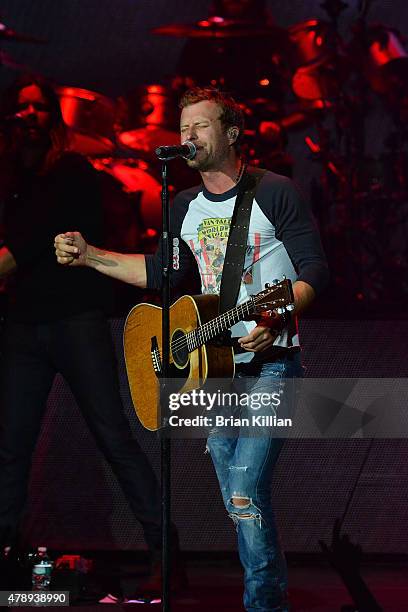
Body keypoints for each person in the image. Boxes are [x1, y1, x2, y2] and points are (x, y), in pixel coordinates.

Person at [55, 87, 329, 611]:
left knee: (246, 490)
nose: (188, 137)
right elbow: (163, 274)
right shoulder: (183, 205)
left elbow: (315, 269)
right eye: (183, 129)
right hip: (215, 373)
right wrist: (91, 256)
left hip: (270, 365)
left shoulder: (275, 192)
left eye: (200, 126)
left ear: (231, 133)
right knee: (238, 503)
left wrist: (276, 316)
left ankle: (264, 606)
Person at [0, 75, 181, 596]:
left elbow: (29, 243)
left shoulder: (73, 171)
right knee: (12, 447)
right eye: (20, 107)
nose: (27, 116)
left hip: (75, 320)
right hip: (26, 326)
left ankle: (163, 550)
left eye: (37, 108)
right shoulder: (16, 176)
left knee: (112, 435)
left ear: (54, 119)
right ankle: (7, 553)